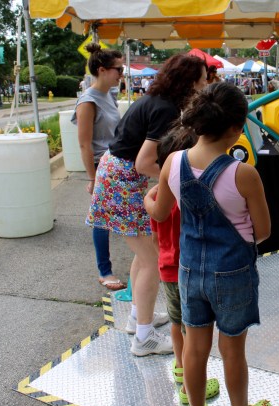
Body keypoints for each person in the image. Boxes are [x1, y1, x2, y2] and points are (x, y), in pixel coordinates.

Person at [148, 82, 273, 406]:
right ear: (235, 127)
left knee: (194, 347)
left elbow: (160, 213)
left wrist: (149, 200)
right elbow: (263, 232)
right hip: (233, 273)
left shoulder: (173, 162)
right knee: (232, 350)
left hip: (189, 271)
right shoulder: (243, 174)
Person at [87, 53, 207, 356]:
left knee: (145, 254)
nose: (206, 83)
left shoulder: (155, 100)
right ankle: (143, 338)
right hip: (123, 181)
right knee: (152, 259)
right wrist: (176, 179)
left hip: (119, 177)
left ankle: (137, 317)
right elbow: (143, 163)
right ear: (190, 81)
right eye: (203, 78)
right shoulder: (165, 109)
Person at [144, 128, 221, 406]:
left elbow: (155, 237)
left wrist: (164, 260)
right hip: (188, 271)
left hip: (167, 268)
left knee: (176, 325)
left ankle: (179, 368)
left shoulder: (156, 197)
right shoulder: (189, 197)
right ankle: (191, 389)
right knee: (194, 332)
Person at [72, 43, 126, 290]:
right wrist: (92, 179)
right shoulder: (88, 101)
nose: (121, 74)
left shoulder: (108, 95)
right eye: (119, 69)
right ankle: (104, 271)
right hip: (100, 164)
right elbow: (84, 145)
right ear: (103, 70)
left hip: (115, 162)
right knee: (102, 220)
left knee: (117, 215)